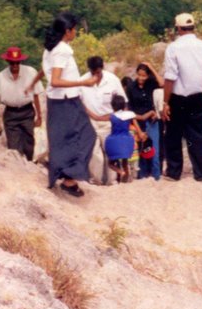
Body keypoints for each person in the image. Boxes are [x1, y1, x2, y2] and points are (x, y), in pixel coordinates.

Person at [42, 12, 100, 197]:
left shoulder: (51, 48)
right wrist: (84, 83)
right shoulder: (62, 50)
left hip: (58, 100)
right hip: (66, 99)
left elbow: (47, 71)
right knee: (86, 136)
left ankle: (64, 175)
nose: (75, 32)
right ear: (68, 31)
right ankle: (69, 178)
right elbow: (56, 80)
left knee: (62, 140)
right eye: (74, 29)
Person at [160, 13, 202, 182]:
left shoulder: (173, 48)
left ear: (178, 28)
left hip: (178, 97)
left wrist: (165, 102)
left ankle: (174, 171)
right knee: (198, 135)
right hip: (199, 97)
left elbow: (170, 77)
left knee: (174, 134)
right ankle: (200, 173)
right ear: (193, 27)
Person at [0, 46, 44, 162]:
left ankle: (29, 164)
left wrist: (39, 116)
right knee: (13, 148)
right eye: (12, 63)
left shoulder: (30, 72)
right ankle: (17, 168)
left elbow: (36, 95)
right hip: (11, 114)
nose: (15, 66)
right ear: (8, 62)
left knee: (29, 142)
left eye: (17, 63)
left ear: (20, 62)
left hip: (27, 112)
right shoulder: (0, 77)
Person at [80, 55, 128, 185]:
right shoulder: (83, 81)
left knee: (110, 152)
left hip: (109, 121)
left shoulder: (112, 80)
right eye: (93, 72)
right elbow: (77, 101)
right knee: (95, 155)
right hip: (91, 122)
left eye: (98, 72)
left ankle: (112, 181)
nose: (96, 75)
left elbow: (123, 102)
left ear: (102, 68)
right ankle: (96, 181)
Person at [125, 62, 164, 180]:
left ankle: (156, 176)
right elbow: (129, 109)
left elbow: (162, 83)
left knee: (154, 150)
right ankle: (142, 175)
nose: (141, 78)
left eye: (144, 76)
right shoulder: (131, 87)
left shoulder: (151, 84)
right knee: (140, 150)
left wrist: (151, 66)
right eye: (139, 75)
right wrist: (138, 127)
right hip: (138, 121)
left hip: (152, 122)